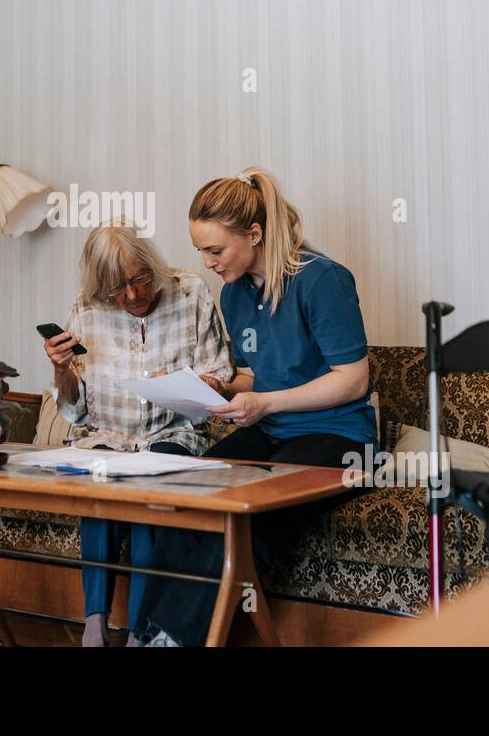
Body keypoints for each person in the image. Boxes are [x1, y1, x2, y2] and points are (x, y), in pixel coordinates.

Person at [135, 167, 375, 646]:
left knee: (246, 512)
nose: (206, 262)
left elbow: (353, 380)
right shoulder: (235, 293)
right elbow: (250, 373)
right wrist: (217, 386)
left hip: (342, 438)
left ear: (255, 233)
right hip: (276, 430)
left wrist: (263, 403)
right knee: (184, 493)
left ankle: (176, 639)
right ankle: (149, 633)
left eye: (214, 250)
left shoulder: (322, 280)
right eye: (201, 250)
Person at [43, 220, 233, 646]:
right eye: (116, 288)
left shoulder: (190, 293)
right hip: (107, 434)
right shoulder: (85, 311)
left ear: (152, 265)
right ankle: (95, 623)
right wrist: (60, 370)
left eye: (138, 279)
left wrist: (185, 382)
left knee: (152, 486)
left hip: (174, 432)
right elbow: (75, 411)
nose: (131, 295)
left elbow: (222, 373)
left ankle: (141, 630)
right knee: (100, 483)